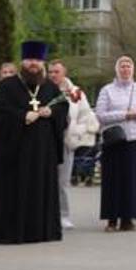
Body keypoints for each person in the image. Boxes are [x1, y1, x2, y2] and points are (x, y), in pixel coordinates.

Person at [0, 42, 67, 245]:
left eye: (38, 61)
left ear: (42, 63)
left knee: (41, 188)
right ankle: (13, 232)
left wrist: (52, 112)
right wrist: (22, 116)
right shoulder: (7, 86)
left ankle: (42, 231)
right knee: (15, 189)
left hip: (42, 152)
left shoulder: (50, 86)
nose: (34, 64)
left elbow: (63, 107)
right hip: (15, 151)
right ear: (22, 62)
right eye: (30, 60)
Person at [94, 56, 136, 232]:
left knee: (132, 181)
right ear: (117, 69)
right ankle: (112, 219)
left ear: (133, 69)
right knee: (114, 181)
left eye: (128, 66)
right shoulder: (107, 90)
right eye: (122, 66)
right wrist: (124, 115)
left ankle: (128, 218)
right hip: (115, 141)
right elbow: (100, 114)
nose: (125, 69)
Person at [52, 59, 96, 231]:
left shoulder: (75, 92)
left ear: (64, 73)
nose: (53, 75)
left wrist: (76, 130)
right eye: (51, 72)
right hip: (46, 140)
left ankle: (63, 215)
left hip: (65, 140)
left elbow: (86, 116)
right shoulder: (42, 90)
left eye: (57, 71)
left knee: (62, 181)